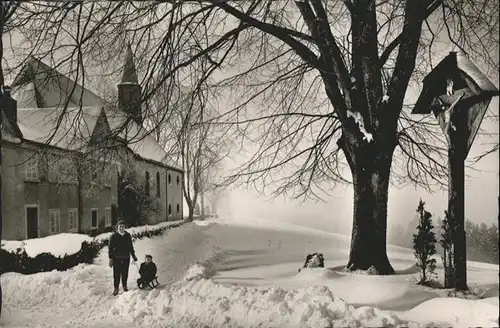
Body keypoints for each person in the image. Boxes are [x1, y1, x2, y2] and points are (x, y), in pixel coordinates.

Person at [109, 220, 138, 295]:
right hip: (117, 258)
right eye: (120, 227)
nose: (121, 228)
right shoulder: (113, 236)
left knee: (125, 273)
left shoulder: (127, 235)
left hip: (126, 257)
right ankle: (116, 288)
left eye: (123, 227)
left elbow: (130, 247)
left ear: (125, 227)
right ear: (117, 227)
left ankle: (124, 286)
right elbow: (110, 248)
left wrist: (134, 256)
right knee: (116, 274)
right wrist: (111, 258)